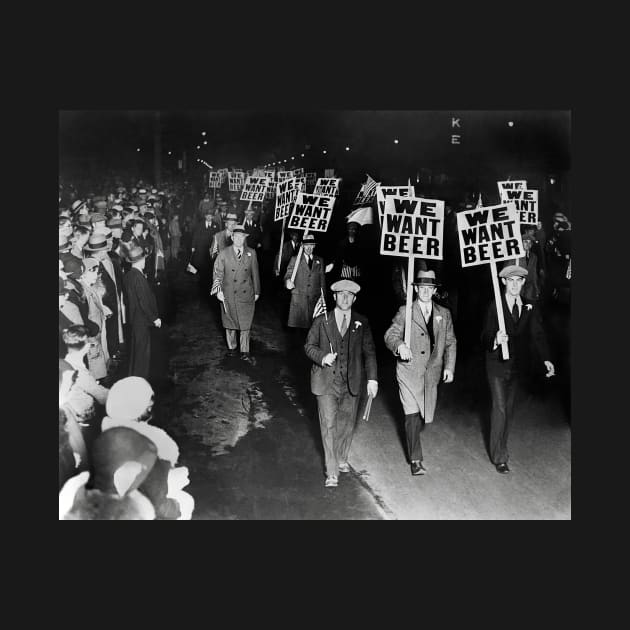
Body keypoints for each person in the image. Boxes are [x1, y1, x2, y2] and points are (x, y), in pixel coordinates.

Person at [481, 264, 555, 473]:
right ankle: (499, 456)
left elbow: (538, 335)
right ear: (503, 282)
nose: (514, 285)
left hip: (517, 366)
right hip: (496, 364)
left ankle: (501, 446)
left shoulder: (530, 307)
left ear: (524, 283)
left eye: (518, 281)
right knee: (500, 408)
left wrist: (546, 359)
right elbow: (484, 334)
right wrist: (495, 339)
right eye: (510, 280)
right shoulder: (494, 306)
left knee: (509, 410)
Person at [304, 279, 378, 488]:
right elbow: (308, 346)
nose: (345, 298)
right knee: (328, 425)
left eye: (349, 295)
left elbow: (369, 352)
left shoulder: (361, 323)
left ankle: (342, 457)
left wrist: (372, 379)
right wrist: (322, 357)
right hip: (325, 382)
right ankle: (332, 471)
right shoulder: (321, 321)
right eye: (341, 294)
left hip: (351, 382)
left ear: (354, 298)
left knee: (346, 424)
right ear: (334, 296)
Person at [384, 269, 457, 475]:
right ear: (415, 289)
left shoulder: (444, 314)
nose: (425, 292)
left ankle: (415, 450)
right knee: (412, 416)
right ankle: (415, 459)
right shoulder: (405, 311)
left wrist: (449, 367)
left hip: (431, 374)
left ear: (434, 290)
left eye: (429, 288)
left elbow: (451, 342)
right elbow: (390, 334)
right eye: (421, 288)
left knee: (425, 414)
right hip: (408, 371)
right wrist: (399, 345)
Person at [211, 223, 260, 362]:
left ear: (245, 238)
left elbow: (255, 273)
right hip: (228, 293)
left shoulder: (251, 253)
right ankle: (232, 348)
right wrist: (218, 290)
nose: (239, 240)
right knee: (230, 324)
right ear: (232, 237)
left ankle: (245, 352)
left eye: (242, 237)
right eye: (237, 237)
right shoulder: (223, 253)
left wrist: (257, 291)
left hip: (246, 293)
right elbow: (217, 273)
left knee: (245, 324)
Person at [123, 245, 161, 380]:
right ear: (140, 260)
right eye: (144, 259)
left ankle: (134, 375)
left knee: (136, 350)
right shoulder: (138, 277)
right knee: (142, 352)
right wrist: (154, 318)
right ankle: (140, 379)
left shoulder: (129, 275)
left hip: (135, 318)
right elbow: (143, 301)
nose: (145, 261)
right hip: (141, 319)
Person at [284, 233, 326, 336]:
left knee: (313, 332)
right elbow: (288, 275)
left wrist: (323, 297)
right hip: (299, 301)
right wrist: (288, 282)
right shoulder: (295, 259)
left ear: (314, 246)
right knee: (298, 335)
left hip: (314, 301)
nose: (309, 247)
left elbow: (322, 281)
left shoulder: (319, 260)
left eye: (311, 245)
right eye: (306, 245)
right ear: (302, 246)